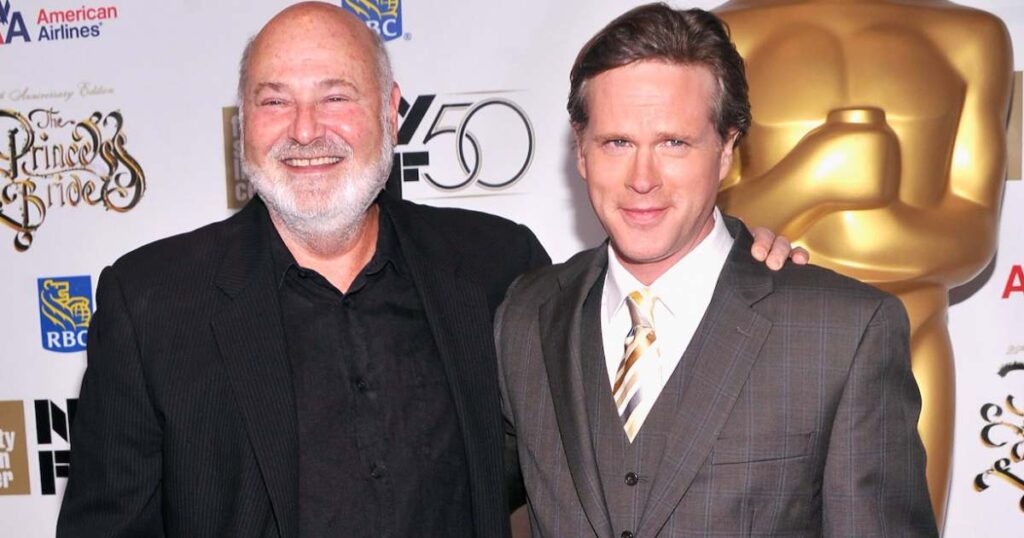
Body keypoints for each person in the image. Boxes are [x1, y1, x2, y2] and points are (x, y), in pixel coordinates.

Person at [55, 3, 800, 537]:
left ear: (391, 113)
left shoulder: (498, 268)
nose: (305, 131)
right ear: (243, 121)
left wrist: (735, 261)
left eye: (336, 97)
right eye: (274, 101)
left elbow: (626, 386)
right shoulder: (152, 303)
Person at [496, 4, 937, 537]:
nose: (643, 178)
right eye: (617, 143)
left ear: (727, 150)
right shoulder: (526, 317)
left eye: (674, 143)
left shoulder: (843, 332)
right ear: (581, 152)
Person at [714, 1, 1013, 526]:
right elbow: (695, 222)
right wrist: (811, 178)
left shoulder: (972, 37)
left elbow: (974, 236)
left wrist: (876, 219)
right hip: (762, 348)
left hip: (909, 346)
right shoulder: (726, 32)